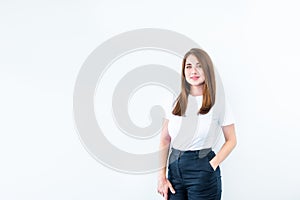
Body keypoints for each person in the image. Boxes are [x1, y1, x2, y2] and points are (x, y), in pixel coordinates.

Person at [157, 48, 237, 200]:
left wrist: (212, 165)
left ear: (207, 70)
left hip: (202, 169)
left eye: (199, 66)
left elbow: (232, 140)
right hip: (174, 170)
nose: (193, 71)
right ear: (183, 71)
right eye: (189, 66)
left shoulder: (218, 102)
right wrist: (161, 176)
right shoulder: (173, 100)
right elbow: (164, 139)